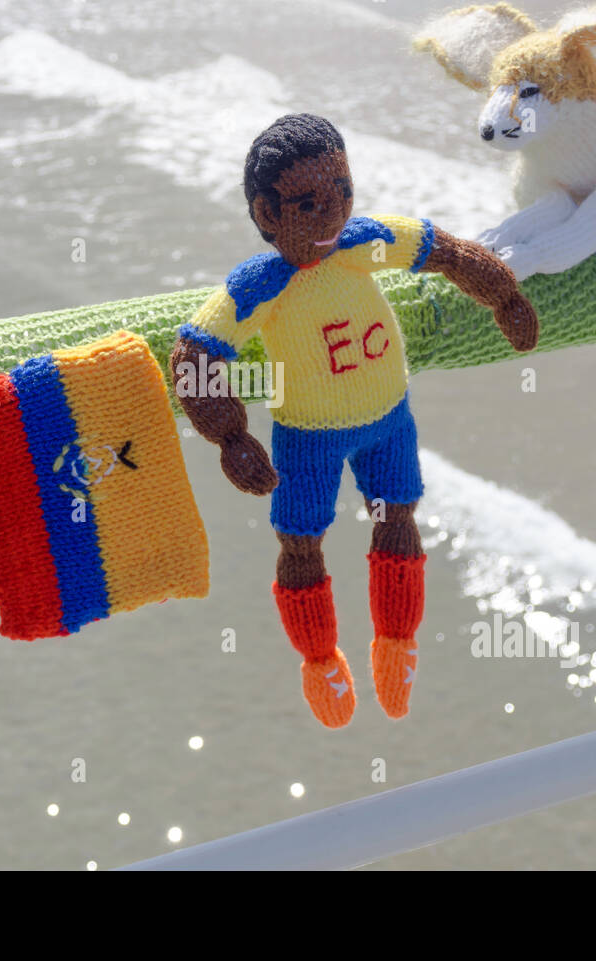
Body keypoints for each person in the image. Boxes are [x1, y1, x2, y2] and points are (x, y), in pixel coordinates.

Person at [170, 114, 537, 727]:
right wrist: (231, 436)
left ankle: (398, 642)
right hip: (307, 437)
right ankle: (319, 660)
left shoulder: (362, 243)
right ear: (266, 213)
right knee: (302, 540)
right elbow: (197, 352)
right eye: (309, 200)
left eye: (342, 189)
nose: (333, 211)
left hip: (389, 419)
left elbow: (443, 250)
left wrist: (503, 294)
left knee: (397, 519)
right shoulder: (262, 284)